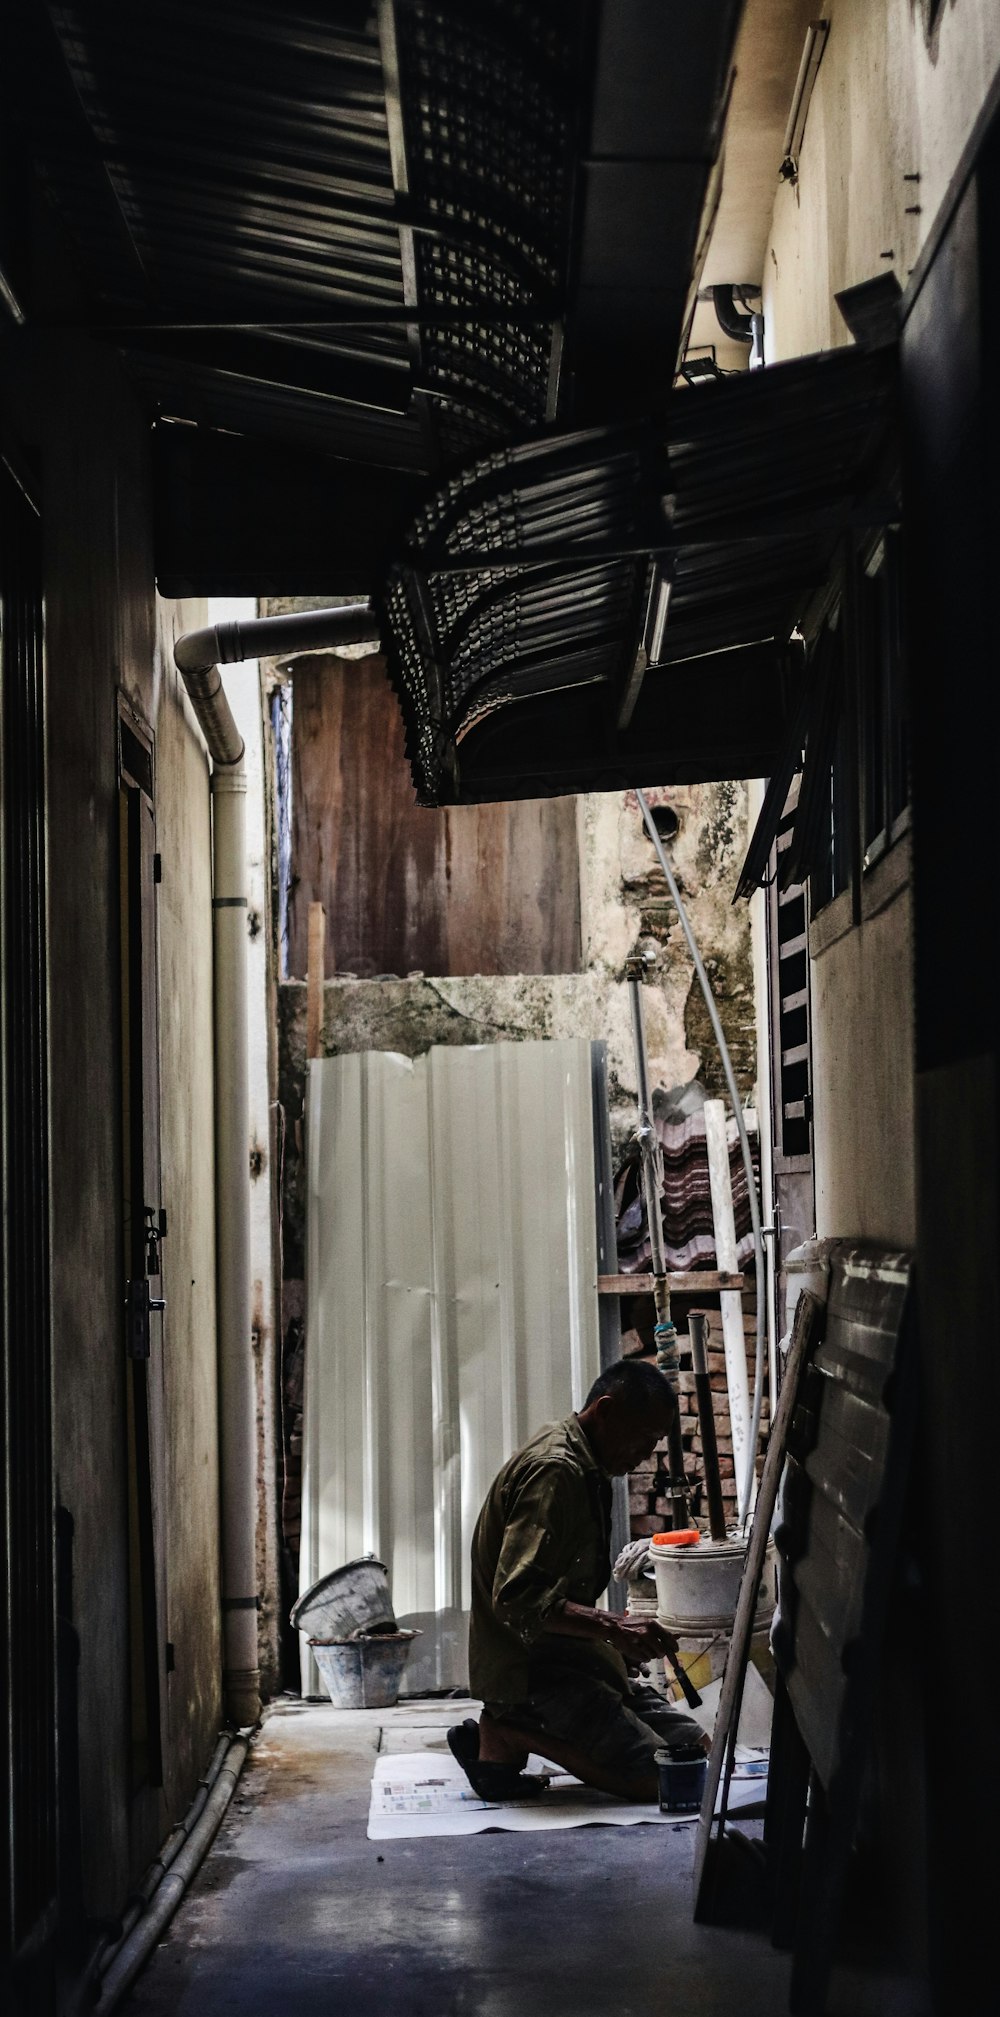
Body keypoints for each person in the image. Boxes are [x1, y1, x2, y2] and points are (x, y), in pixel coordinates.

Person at [448, 1357, 706, 1803]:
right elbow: (516, 1597)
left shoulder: (589, 1466)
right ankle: (508, 1729)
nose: (647, 1454)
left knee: (700, 1755)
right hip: (530, 1674)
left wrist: (607, 1643)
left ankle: (515, 1735)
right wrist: (612, 1628)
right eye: (644, 1438)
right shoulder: (557, 1470)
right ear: (604, 1412)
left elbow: (558, 1594)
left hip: (571, 1662)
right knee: (662, 1782)